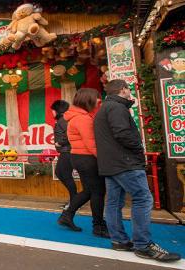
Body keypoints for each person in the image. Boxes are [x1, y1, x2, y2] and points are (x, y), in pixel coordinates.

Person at [95, 79, 181, 261]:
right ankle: (143, 244)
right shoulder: (117, 108)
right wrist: (138, 149)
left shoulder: (104, 108)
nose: (129, 92)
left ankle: (119, 240)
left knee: (113, 202)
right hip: (125, 162)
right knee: (142, 198)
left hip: (111, 164)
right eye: (128, 89)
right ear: (122, 90)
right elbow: (123, 133)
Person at [57, 88, 109, 238]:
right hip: (87, 158)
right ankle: (98, 226)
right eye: (97, 99)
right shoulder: (83, 119)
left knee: (89, 191)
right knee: (98, 192)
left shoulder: (80, 116)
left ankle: (67, 215)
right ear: (89, 100)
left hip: (80, 157)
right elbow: (91, 143)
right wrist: (104, 159)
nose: (99, 102)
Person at [51, 100, 77, 207]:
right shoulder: (62, 120)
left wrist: (59, 143)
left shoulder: (63, 120)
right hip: (65, 151)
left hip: (67, 151)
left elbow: (70, 134)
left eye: (53, 110)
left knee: (63, 174)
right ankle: (74, 199)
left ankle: (74, 201)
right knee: (61, 173)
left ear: (58, 110)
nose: (52, 112)